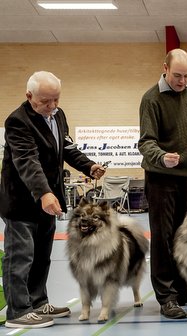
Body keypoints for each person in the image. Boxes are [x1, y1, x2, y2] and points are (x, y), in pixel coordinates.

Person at [0, 71, 106, 329]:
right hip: (22, 203)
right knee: (20, 257)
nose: (52, 106)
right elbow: (27, 162)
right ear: (29, 96)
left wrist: (89, 166)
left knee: (41, 257)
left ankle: (38, 302)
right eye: (46, 101)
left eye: (56, 100)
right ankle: (18, 311)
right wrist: (44, 192)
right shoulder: (17, 122)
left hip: (47, 203)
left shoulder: (58, 116)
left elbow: (66, 148)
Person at [138, 48, 187, 319]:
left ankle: (183, 289)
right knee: (163, 240)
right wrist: (162, 157)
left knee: (183, 237)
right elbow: (145, 142)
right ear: (164, 68)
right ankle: (166, 297)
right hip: (160, 179)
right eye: (177, 75)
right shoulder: (151, 99)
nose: (182, 81)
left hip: (184, 181)